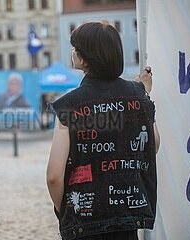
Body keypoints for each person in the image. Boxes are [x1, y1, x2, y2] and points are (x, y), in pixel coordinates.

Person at [46, 22, 160, 240]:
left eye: (75, 48)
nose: (73, 52)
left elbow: (54, 176)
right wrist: (143, 95)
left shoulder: (69, 105)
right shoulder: (138, 95)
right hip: (127, 219)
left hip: (83, 224)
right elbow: (152, 145)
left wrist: (65, 211)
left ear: (85, 58)